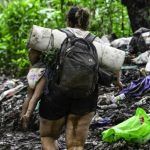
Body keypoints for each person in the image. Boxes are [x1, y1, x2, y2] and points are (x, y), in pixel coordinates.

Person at [28, 6, 125, 150]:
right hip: (86, 96)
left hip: (56, 94)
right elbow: (116, 66)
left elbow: (33, 52)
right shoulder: (98, 42)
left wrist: (36, 64)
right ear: (87, 22)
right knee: (76, 145)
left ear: (68, 20)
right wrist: (118, 82)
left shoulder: (56, 35)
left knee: (48, 137)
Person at [20, 48, 46, 129]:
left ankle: (22, 119)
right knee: (35, 96)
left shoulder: (32, 49)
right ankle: (27, 115)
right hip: (42, 72)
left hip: (32, 72)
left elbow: (32, 61)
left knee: (29, 96)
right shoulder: (46, 49)